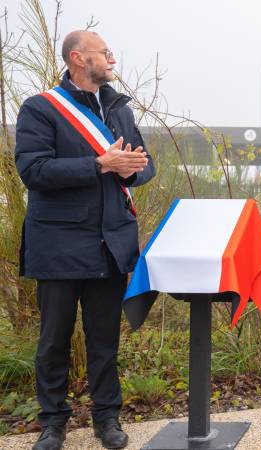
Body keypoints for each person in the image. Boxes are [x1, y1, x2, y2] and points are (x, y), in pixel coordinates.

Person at [15, 30, 155, 450]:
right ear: (78, 58)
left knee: (105, 340)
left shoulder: (119, 109)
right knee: (54, 341)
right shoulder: (41, 108)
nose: (111, 58)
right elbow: (34, 171)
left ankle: (106, 418)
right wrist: (99, 164)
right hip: (58, 244)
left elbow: (143, 167)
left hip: (110, 243)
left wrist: (130, 169)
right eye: (104, 52)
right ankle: (53, 423)